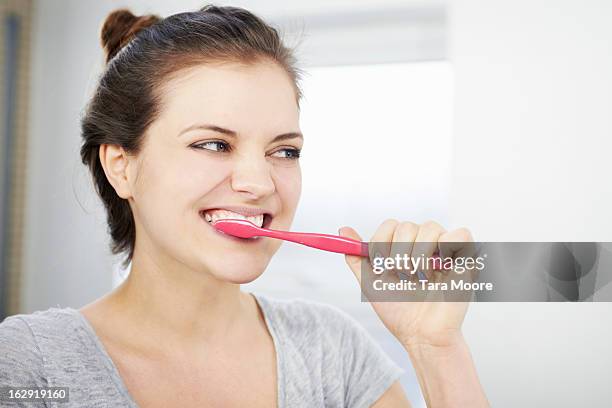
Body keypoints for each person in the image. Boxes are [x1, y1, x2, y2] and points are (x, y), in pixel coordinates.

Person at [0, 5, 488, 407]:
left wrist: (437, 349)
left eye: (284, 151)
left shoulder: (333, 354)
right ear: (121, 166)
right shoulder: (29, 364)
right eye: (213, 144)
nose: (258, 183)